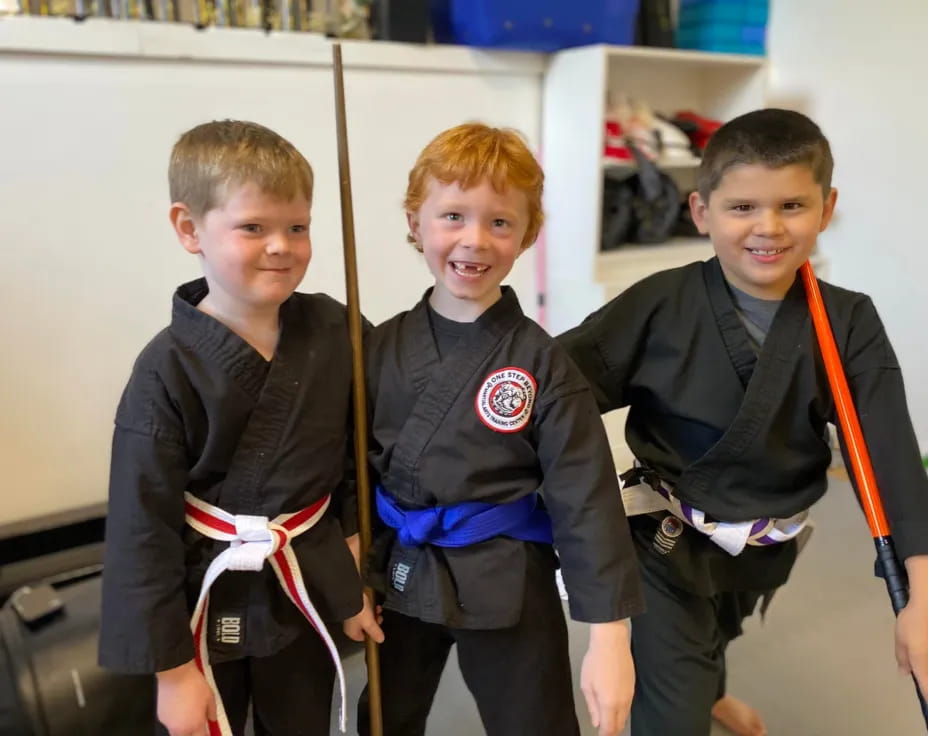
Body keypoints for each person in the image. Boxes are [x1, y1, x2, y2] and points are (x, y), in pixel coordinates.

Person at [559, 108, 928, 736]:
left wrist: (921, 596)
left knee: (718, 630)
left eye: (792, 206)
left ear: (827, 206)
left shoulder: (848, 322)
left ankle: (708, 689)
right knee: (672, 705)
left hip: (762, 543)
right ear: (702, 211)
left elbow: (890, 453)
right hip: (664, 540)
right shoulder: (659, 303)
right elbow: (558, 390)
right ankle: (689, 699)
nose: (768, 227)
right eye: (742, 208)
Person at [357, 122, 644, 736]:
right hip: (401, 567)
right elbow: (349, 472)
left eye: (500, 222)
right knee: (382, 717)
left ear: (527, 235)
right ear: (415, 222)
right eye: (453, 215)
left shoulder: (542, 365)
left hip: (507, 575)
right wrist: (348, 570)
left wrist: (609, 636)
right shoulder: (378, 348)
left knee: (533, 721)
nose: (474, 240)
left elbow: (585, 499)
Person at [98, 119, 383, 736]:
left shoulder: (336, 331)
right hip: (205, 590)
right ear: (188, 228)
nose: (281, 245)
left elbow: (364, 451)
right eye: (253, 227)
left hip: (303, 581)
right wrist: (172, 673)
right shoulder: (164, 370)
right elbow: (138, 530)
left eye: (297, 227)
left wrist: (355, 557)